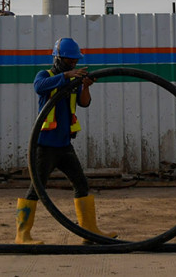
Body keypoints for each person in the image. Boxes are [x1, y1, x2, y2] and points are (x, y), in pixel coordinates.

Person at [15, 37, 117, 245]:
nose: (74, 64)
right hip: (45, 146)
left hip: (64, 146)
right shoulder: (46, 75)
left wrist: (86, 86)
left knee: (81, 184)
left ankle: (89, 232)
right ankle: (22, 234)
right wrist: (67, 75)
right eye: (70, 61)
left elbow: (84, 102)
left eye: (75, 61)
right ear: (58, 59)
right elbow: (39, 87)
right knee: (37, 188)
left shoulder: (73, 80)